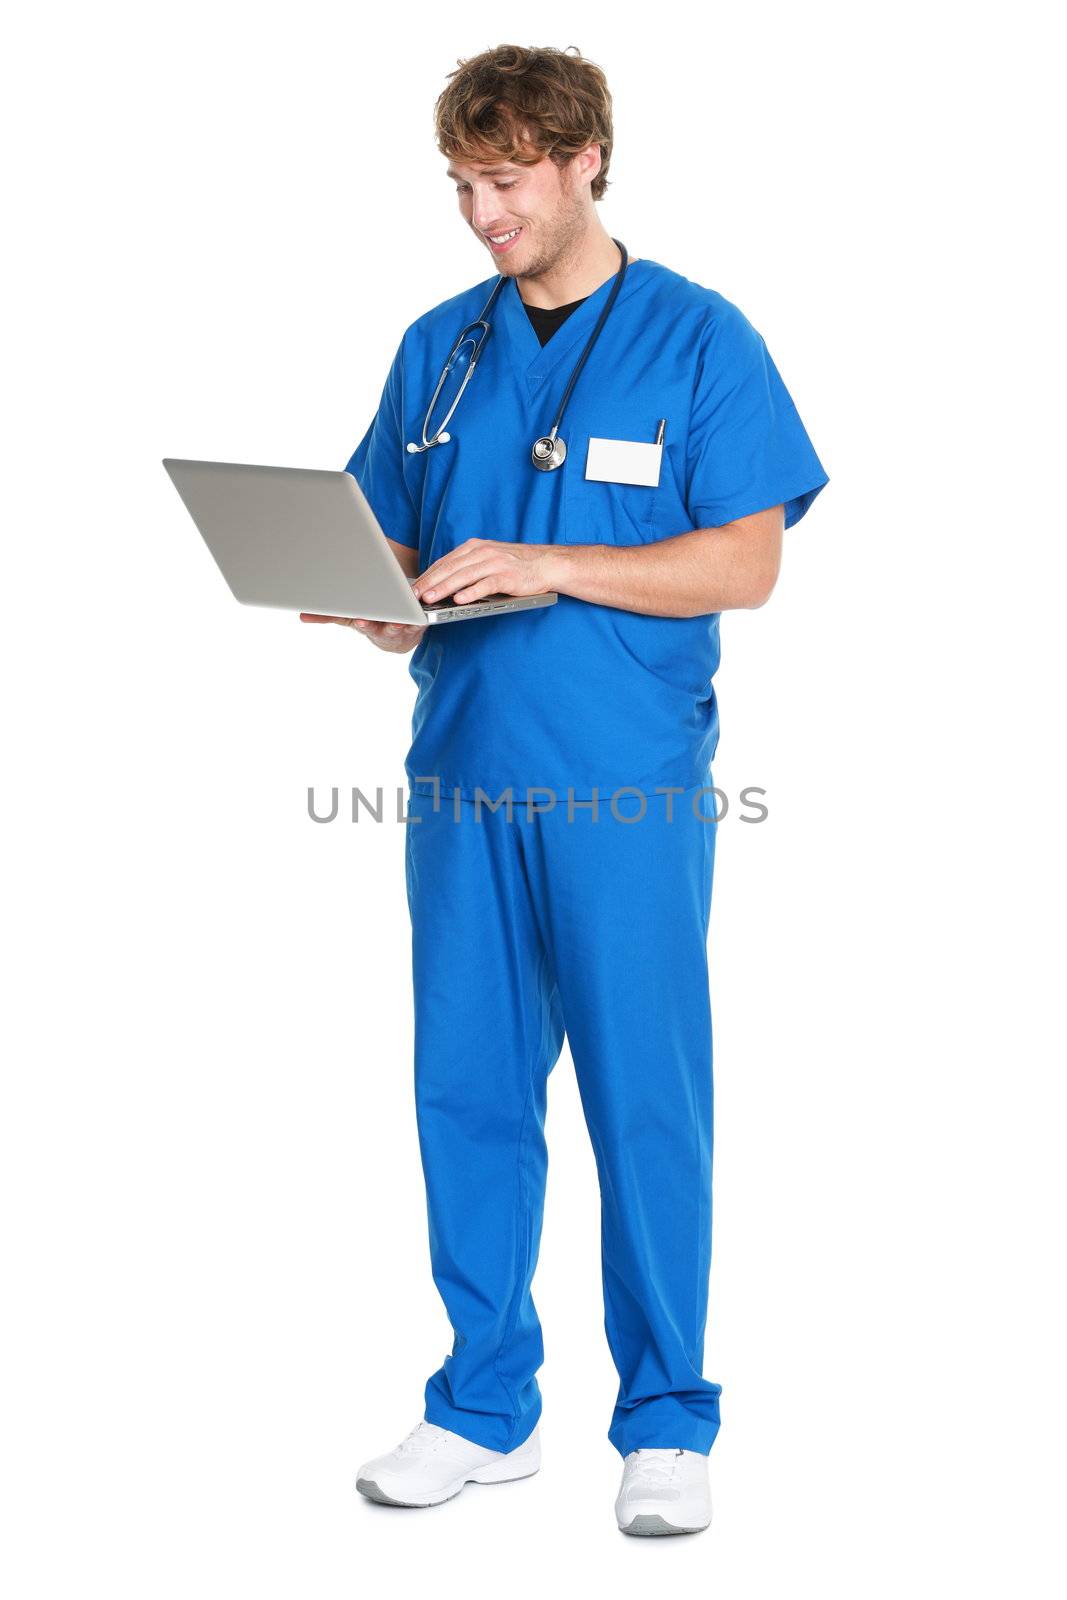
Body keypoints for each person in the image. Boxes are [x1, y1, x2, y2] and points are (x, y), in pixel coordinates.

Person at [301, 42, 828, 1536]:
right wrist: (364, 593)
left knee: (642, 1096)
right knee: (465, 1093)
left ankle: (665, 1418)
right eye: (464, 185)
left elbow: (749, 559)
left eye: (509, 181)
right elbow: (399, 553)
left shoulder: (697, 338)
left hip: (623, 789)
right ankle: (483, 1403)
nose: (484, 215)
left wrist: (549, 562)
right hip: (463, 777)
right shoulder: (439, 349)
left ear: (587, 157)